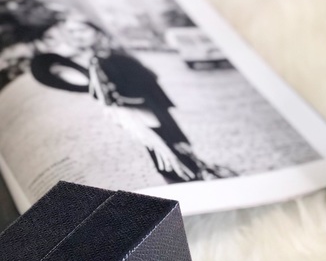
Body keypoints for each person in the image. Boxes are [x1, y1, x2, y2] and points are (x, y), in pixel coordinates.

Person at [30, 16, 235, 182]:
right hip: (136, 113)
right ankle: (192, 176)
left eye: (82, 30)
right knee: (164, 156)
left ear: (96, 30)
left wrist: (123, 101)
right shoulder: (95, 57)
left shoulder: (111, 55)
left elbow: (147, 81)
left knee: (172, 153)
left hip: (148, 109)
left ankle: (197, 178)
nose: (77, 36)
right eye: (72, 32)